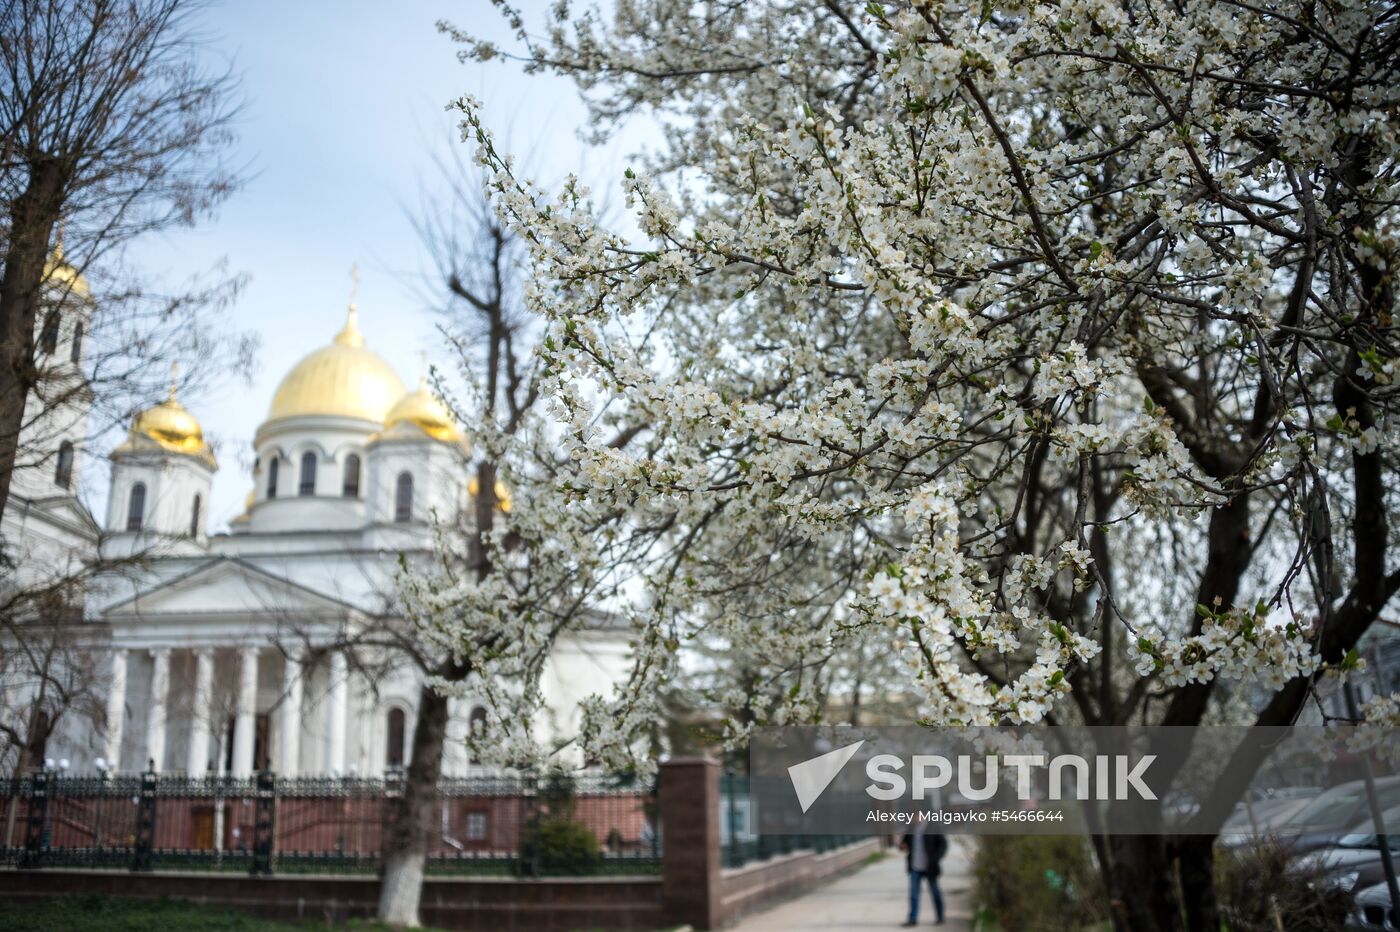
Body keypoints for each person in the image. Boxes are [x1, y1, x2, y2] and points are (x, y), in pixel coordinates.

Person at [900, 823, 947, 926]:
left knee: (935, 892)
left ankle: (940, 916)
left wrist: (936, 858)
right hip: (915, 867)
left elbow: (943, 845)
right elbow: (903, 844)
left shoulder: (933, 827)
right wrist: (902, 846)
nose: (915, 819)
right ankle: (913, 919)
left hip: (930, 867)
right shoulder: (911, 829)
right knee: (914, 894)